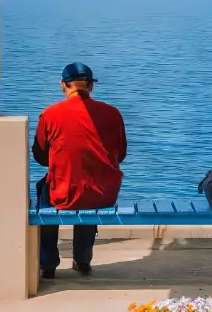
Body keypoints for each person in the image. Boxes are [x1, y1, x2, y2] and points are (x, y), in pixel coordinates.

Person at [32, 63, 127, 280]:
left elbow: (39, 156)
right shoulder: (113, 113)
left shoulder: (50, 114)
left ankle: (48, 263)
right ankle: (83, 260)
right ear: (91, 86)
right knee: (90, 190)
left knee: (47, 191)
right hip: (103, 193)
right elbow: (120, 153)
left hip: (64, 192)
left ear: (62, 86)